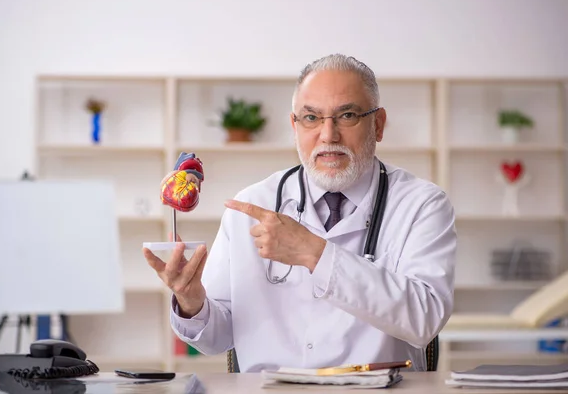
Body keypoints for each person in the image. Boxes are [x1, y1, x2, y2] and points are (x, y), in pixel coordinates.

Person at [143, 54, 457, 372]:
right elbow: (215, 338)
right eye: (311, 118)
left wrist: (313, 252)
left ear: (378, 124)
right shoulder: (251, 204)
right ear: (295, 126)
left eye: (347, 115)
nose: (328, 135)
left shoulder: (422, 205)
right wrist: (191, 300)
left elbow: (425, 319)